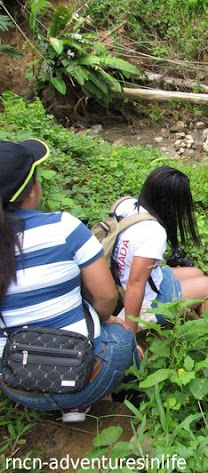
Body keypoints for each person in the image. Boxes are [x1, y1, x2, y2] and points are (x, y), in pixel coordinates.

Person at [0, 139, 139, 423]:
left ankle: (66, 401)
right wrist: (104, 318)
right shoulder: (63, 227)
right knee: (123, 336)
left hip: (17, 384)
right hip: (82, 377)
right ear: (31, 190)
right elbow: (106, 296)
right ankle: (107, 397)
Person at [112, 166, 208, 332]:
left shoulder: (126, 204)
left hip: (119, 281)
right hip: (140, 302)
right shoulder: (153, 232)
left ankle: (198, 323)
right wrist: (130, 335)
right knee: (207, 286)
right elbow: (135, 284)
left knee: (196, 273)